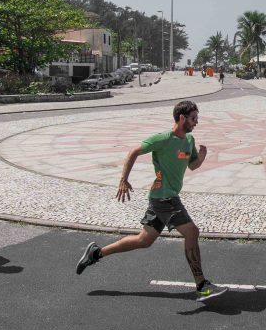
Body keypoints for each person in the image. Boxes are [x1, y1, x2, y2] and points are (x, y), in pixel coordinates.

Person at [75, 100, 227, 301]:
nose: (196, 122)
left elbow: (192, 166)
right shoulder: (162, 139)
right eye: (193, 118)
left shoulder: (189, 140)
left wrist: (203, 157)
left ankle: (96, 253)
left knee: (143, 240)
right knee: (192, 232)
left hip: (161, 199)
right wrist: (123, 180)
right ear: (182, 118)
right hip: (165, 197)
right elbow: (133, 152)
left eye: (196, 118)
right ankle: (202, 285)